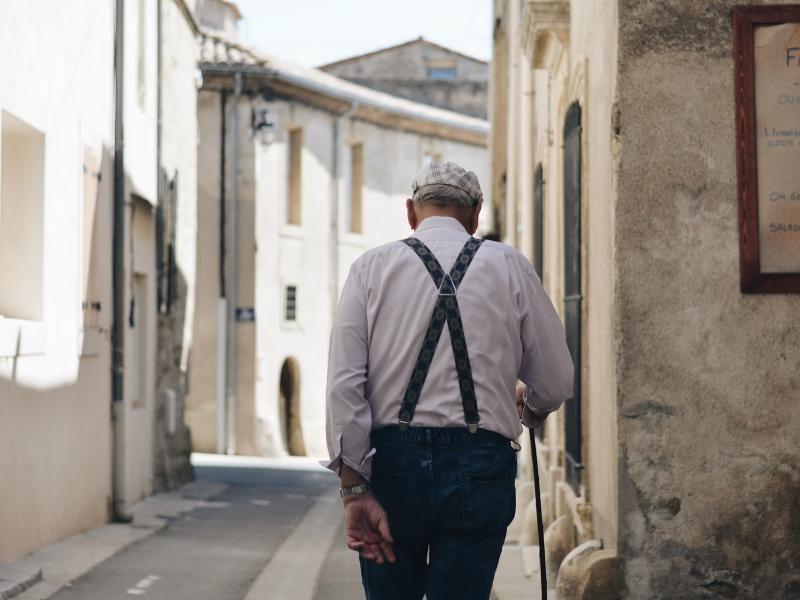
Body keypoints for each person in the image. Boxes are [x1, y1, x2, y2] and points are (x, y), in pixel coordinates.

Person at [324, 161, 573, 600]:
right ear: (476, 214)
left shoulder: (370, 268)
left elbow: (344, 385)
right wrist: (530, 410)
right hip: (481, 466)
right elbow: (555, 381)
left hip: (392, 467)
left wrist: (354, 488)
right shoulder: (510, 265)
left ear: (410, 211)